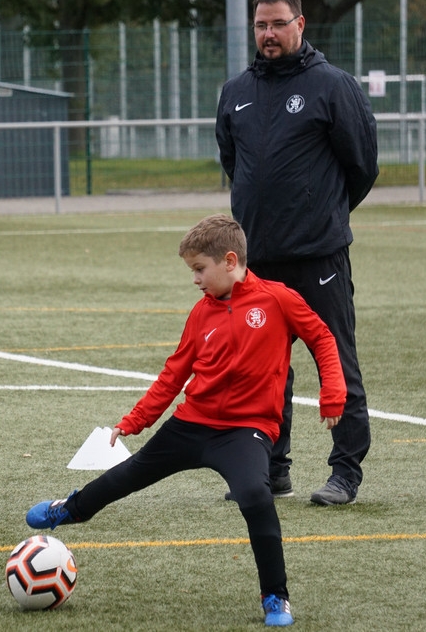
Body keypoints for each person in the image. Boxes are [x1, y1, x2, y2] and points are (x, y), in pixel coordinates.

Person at [25, 214, 346, 627]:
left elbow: (322, 337)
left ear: (229, 261)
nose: (194, 279)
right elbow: (173, 374)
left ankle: (275, 596)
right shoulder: (200, 314)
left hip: (246, 431)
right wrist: (135, 420)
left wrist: (332, 394)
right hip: (191, 424)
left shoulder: (277, 299)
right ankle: (70, 509)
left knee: (255, 496)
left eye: (199, 269)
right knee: (127, 475)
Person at [216, 0, 379, 506]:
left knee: (336, 360)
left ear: (300, 25)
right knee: (262, 370)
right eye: (261, 25)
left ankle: (345, 472)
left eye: (279, 23)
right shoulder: (235, 91)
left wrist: (322, 214)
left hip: (319, 258)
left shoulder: (333, 86)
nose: (269, 33)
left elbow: (362, 166)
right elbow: (233, 163)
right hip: (258, 261)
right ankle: (271, 468)